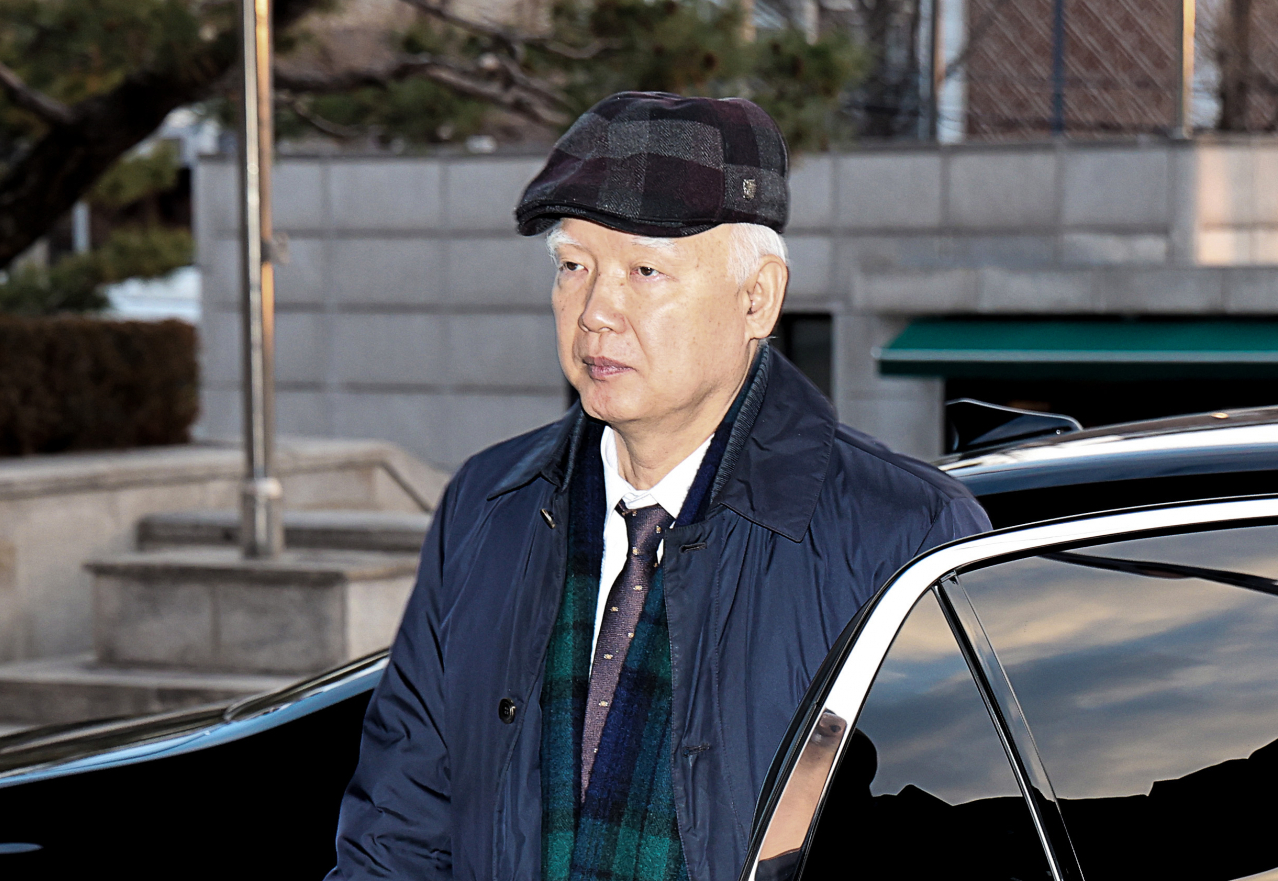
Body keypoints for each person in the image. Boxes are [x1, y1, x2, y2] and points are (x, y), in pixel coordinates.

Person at [327, 91, 990, 881]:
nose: (596, 312)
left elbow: (953, 839)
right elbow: (396, 834)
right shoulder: (488, 505)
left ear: (759, 298)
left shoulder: (903, 535)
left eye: (646, 271)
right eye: (574, 267)